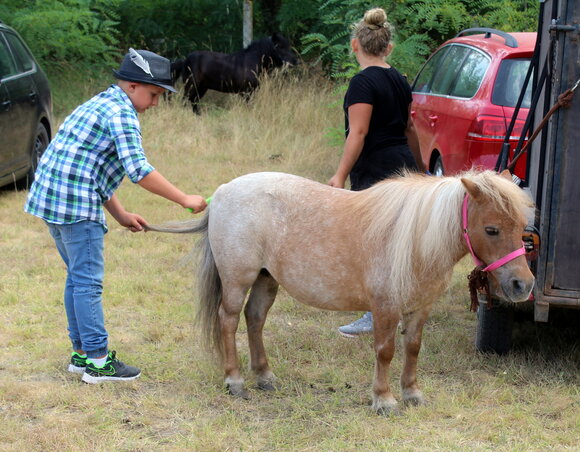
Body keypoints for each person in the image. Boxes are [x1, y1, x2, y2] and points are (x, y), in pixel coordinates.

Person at [24, 49, 207, 383]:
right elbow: (139, 171)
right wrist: (184, 198)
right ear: (133, 86)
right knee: (87, 282)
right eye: (154, 95)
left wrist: (121, 214)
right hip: (75, 204)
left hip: (52, 198)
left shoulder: (101, 102)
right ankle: (97, 361)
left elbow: (88, 166)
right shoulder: (121, 114)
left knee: (76, 278)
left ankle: (81, 355)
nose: (155, 103)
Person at [328, 8, 426, 337]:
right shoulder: (399, 79)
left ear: (355, 45)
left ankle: (377, 314)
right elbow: (410, 128)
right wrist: (421, 169)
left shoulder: (362, 82)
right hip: (403, 165)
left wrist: (340, 175)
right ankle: (404, 305)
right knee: (401, 243)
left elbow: (357, 133)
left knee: (375, 245)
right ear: (389, 48)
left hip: (376, 172)